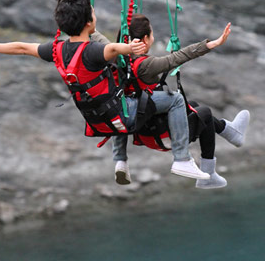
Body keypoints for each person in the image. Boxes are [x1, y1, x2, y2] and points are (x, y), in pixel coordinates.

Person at [0, 0, 210, 181]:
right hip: (122, 114)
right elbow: (112, 49)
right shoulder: (93, 51)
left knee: (119, 92)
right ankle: (181, 159)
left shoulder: (58, 50)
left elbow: (22, 47)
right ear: (88, 23)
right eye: (92, 14)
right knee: (174, 100)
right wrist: (131, 48)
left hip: (96, 119)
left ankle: (121, 161)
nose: (95, 16)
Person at [101, 14, 250, 189]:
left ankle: (230, 131)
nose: (153, 38)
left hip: (143, 133)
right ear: (144, 40)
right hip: (162, 135)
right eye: (152, 35)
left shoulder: (117, 63)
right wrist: (212, 44)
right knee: (205, 113)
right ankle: (208, 175)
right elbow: (177, 58)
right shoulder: (145, 65)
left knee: (192, 105)